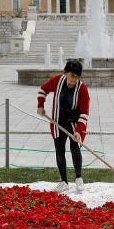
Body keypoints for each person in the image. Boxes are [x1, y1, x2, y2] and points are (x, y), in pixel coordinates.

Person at [37, 60, 90, 193]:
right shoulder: (57, 81)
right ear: (65, 73)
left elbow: (84, 112)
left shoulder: (82, 88)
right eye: (71, 76)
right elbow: (43, 90)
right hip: (57, 122)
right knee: (59, 150)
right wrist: (40, 105)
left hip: (74, 123)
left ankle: (79, 178)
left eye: (77, 77)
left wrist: (78, 131)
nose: (73, 80)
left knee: (75, 148)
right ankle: (63, 182)